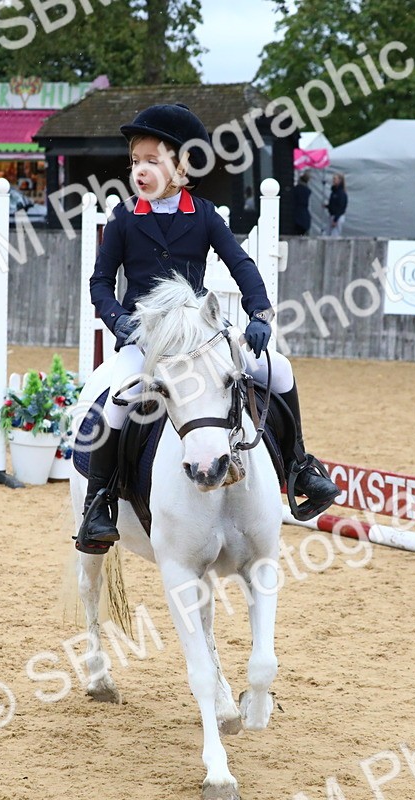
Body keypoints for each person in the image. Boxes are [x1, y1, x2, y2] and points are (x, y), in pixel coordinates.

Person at [76, 102, 340, 554]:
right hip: (145, 337)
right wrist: (119, 321)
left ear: (181, 166)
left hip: (198, 334)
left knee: (278, 369)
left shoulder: (203, 214)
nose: (140, 170)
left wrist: (259, 314)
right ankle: (98, 503)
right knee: (118, 399)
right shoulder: (123, 217)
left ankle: (300, 467)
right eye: (135, 161)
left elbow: (241, 264)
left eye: (151, 160)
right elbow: (100, 282)